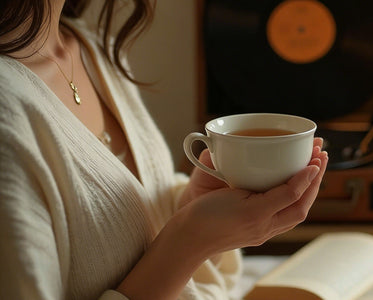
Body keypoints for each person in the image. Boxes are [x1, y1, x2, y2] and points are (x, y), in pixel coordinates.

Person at [0, 0, 328, 299]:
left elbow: (136, 223)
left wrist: (189, 206)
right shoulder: (7, 111)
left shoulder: (86, 44)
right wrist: (190, 240)